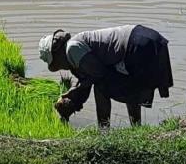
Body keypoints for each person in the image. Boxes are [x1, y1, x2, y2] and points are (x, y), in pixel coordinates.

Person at [39, 25, 173, 128]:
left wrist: (76, 90)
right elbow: (93, 73)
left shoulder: (72, 49)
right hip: (148, 38)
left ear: (57, 55)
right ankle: (136, 128)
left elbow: (98, 74)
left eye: (57, 64)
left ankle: (104, 131)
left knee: (102, 87)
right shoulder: (78, 42)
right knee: (130, 87)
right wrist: (78, 90)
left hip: (137, 45)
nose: (61, 67)